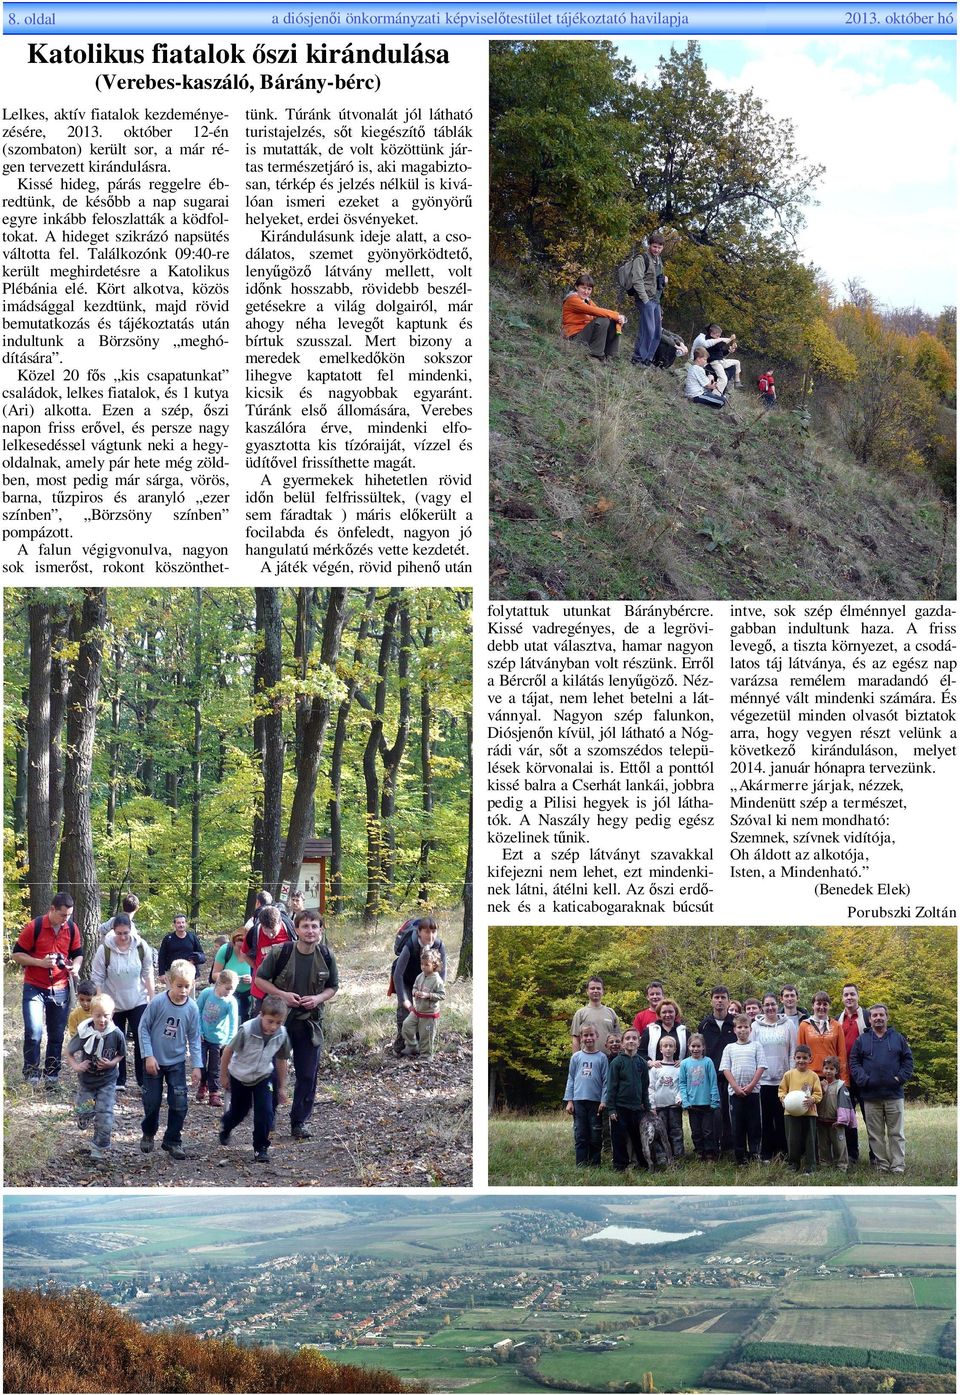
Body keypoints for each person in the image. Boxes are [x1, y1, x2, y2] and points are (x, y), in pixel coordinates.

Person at [255, 908, 339, 1142]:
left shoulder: (327, 956)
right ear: (297, 929)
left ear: (321, 930)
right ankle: (267, 1119)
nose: (310, 930)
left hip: (309, 1023)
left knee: (307, 1074)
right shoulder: (280, 952)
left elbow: (333, 986)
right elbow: (260, 980)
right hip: (277, 1023)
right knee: (269, 1071)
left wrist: (318, 998)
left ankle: (300, 1121)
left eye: (315, 926)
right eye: (305, 926)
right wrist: (282, 995)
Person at [12, 891, 84, 1087]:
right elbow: (16, 954)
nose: (65, 919)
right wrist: (39, 962)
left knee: (56, 1034)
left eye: (69, 915)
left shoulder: (71, 928)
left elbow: (78, 954)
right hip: (34, 987)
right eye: (63, 915)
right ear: (52, 909)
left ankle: (52, 1075)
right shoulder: (34, 927)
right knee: (34, 1031)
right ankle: (31, 1075)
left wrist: (75, 967)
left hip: (60, 988)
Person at [137, 960, 202, 1160]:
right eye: (179, 986)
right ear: (170, 983)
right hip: (154, 1060)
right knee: (152, 1101)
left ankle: (173, 1140)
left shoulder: (192, 1008)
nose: (183, 991)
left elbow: (194, 1037)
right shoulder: (158, 1002)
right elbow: (143, 1028)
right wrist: (148, 1055)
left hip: (177, 1061)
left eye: (187, 986)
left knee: (179, 1103)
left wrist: (197, 1065)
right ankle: (148, 1132)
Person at [219, 994, 291, 1163]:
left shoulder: (282, 1034)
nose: (273, 1026)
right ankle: (226, 1126)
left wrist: (282, 1086)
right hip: (239, 1075)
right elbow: (228, 1052)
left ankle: (261, 1147)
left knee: (265, 1111)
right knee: (239, 1111)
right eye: (270, 1021)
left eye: (278, 1022)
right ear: (261, 1015)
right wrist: (223, 1076)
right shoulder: (247, 1029)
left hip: (263, 1076)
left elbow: (281, 1060)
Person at [90, 913, 155, 1091]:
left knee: (142, 1039)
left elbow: (147, 973)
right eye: (119, 933)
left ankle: (143, 1081)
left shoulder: (141, 947)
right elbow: (98, 977)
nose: (123, 937)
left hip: (138, 1000)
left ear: (131, 930)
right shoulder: (105, 950)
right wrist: (101, 1002)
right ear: (113, 931)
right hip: (113, 1003)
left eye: (126, 932)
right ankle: (119, 1080)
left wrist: (152, 998)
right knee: (117, 1041)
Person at [849, 1004, 914, 1175]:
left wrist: (899, 1078)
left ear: (887, 1017)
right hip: (870, 1096)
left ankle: (898, 1165)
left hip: (894, 1094)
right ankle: (881, 1164)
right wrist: (864, 1080)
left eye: (881, 1015)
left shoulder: (898, 1038)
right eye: (874, 1015)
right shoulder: (862, 1040)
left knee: (896, 1133)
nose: (878, 1018)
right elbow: (854, 1062)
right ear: (869, 1019)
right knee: (875, 1134)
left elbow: (908, 1061)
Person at [66, 992, 126, 1161]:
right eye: (98, 1016)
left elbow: (121, 1054)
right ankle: (83, 1117)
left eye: (106, 1016)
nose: (102, 1020)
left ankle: (98, 1147)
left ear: (112, 1015)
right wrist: (77, 1066)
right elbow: (69, 1052)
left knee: (105, 1114)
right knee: (85, 1110)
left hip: (107, 1080)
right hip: (87, 1080)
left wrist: (111, 1063)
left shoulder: (116, 1034)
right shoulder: (85, 1032)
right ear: (91, 1014)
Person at [392, 918, 447, 1057]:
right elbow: (398, 975)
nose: (431, 935)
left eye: (434, 931)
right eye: (427, 932)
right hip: (406, 980)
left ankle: (420, 1047)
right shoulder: (410, 945)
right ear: (419, 932)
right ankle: (401, 1044)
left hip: (426, 982)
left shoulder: (439, 946)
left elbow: (442, 974)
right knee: (405, 1014)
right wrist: (404, 999)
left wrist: (434, 993)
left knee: (425, 1014)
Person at [602, 1027, 650, 1172]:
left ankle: (642, 1163)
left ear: (639, 1042)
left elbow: (645, 1087)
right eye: (627, 1038)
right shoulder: (617, 1062)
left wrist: (647, 1108)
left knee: (638, 1137)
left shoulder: (641, 1063)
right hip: (619, 1107)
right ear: (622, 1044)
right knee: (619, 1138)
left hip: (637, 1108)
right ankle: (620, 1165)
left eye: (634, 1038)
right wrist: (611, 1109)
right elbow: (611, 1087)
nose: (631, 1041)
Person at [720, 1014, 766, 1165]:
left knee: (754, 1125)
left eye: (745, 1027)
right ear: (734, 1030)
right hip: (735, 1094)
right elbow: (726, 1069)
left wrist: (751, 1085)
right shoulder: (729, 1048)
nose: (742, 1030)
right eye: (739, 1027)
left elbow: (761, 1067)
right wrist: (735, 1087)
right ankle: (740, 1157)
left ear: (750, 1029)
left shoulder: (756, 1046)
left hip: (753, 1093)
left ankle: (755, 1154)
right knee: (737, 1126)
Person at [751, 993, 791, 1163]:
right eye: (766, 1005)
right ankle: (766, 1153)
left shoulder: (788, 1024)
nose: (770, 1008)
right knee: (766, 1119)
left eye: (773, 1004)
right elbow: (752, 1052)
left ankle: (783, 1152)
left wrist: (790, 1076)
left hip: (783, 1080)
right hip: (763, 1081)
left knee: (782, 1118)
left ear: (777, 1005)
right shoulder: (755, 1026)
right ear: (762, 1007)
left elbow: (793, 1052)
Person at [563, 1023, 607, 1167]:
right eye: (585, 1035)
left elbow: (606, 1081)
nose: (588, 1038)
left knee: (595, 1134)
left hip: (596, 1103)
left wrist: (603, 1100)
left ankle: (595, 1163)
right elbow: (571, 1079)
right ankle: (581, 1163)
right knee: (581, 1134)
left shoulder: (602, 1058)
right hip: (578, 1101)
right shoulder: (576, 1057)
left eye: (591, 1035)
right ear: (581, 1038)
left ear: (597, 1036)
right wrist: (569, 1101)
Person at [698, 986, 736, 1156]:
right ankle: (713, 1148)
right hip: (710, 1076)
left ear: (729, 1001)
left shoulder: (735, 1023)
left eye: (723, 997)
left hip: (731, 1076)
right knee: (713, 1113)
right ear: (711, 1000)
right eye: (716, 997)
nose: (719, 1001)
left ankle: (730, 1146)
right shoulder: (705, 1024)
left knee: (730, 1112)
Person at [196, 970, 240, 1107]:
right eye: (227, 988)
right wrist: (199, 1030)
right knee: (201, 1063)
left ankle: (214, 1093)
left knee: (215, 1067)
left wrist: (229, 1042)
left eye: (232, 990)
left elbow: (233, 1023)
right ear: (219, 983)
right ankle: (203, 1084)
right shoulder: (206, 994)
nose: (229, 992)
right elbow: (196, 1011)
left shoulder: (231, 1002)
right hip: (203, 1036)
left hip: (219, 1039)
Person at [778, 1043, 822, 1174]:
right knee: (793, 1140)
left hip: (809, 1113)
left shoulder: (813, 1076)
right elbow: (781, 1090)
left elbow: (818, 1093)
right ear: (794, 1058)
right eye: (798, 1058)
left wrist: (813, 1099)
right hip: (791, 1113)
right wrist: (783, 1099)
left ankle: (811, 1166)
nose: (801, 1060)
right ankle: (793, 1164)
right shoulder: (788, 1075)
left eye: (804, 1058)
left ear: (810, 1059)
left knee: (810, 1140)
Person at [561, 275, 625, 362]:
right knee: (604, 319)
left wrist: (620, 318)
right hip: (574, 337)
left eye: (589, 289)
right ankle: (596, 355)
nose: (586, 292)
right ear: (576, 287)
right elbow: (594, 311)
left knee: (612, 320)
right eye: (583, 288)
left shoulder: (588, 301)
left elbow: (600, 311)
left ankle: (611, 356)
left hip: (585, 335)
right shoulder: (572, 299)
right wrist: (617, 315)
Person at [839, 983, 870, 1163]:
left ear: (858, 996)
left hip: (864, 1077)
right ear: (842, 998)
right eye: (846, 995)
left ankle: (876, 1155)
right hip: (844, 1077)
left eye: (852, 994)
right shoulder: (837, 1019)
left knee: (870, 1117)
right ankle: (852, 1154)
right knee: (848, 1118)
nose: (849, 997)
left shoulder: (867, 1017)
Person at [678, 1033, 720, 1162]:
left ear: (703, 1047)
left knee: (708, 1131)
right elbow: (682, 1083)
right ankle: (699, 1151)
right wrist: (685, 1100)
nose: (695, 1049)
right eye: (693, 1046)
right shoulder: (684, 1063)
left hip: (707, 1103)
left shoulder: (707, 1062)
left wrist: (714, 1099)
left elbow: (713, 1081)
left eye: (698, 1046)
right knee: (696, 1131)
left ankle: (709, 1153)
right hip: (692, 1104)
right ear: (689, 1047)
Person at [245, 905, 294, 1016]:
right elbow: (244, 954)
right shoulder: (255, 932)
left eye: (273, 931)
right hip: (261, 989)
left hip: (286, 988)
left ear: (280, 922)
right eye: (266, 931)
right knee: (261, 1021)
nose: (270, 935)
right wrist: (258, 967)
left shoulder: (290, 930)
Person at [627, 233, 666, 366]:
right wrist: (645, 300)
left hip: (656, 300)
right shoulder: (641, 258)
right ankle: (638, 358)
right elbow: (637, 280)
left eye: (659, 247)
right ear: (649, 245)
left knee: (656, 333)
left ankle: (647, 360)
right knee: (647, 330)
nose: (656, 250)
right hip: (645, 299)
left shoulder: (659, 261)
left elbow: (659, 284)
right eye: (654, 246)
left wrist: (659, 304)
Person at [401, 948, 446, 1058]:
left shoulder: (437, 980)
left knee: (426, 1036)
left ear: (434, 965)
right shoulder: (419, 976)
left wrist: (428, 995)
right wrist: (415, 992)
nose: (423, 967)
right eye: (422, 964)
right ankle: (412, 1046)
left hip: (429, 1014)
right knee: (406, 1025)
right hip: (417, 1010)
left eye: (427, 964)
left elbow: (442, 995)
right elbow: (414, 988)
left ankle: (426, 1057)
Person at [798, 992, 848, 1083]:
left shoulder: (836, 1026)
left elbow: (842, 1054)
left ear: (829, 1007)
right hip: (810, 1074)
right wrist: (799, 1075)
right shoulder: (804, 1025)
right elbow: (799, 1052)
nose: (821, 1007)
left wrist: (844, 1080)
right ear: (813, 1006)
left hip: (831, 1075)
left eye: (825, 1004)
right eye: (818, 1004)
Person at [649, 1035, 684, 1161]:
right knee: (660, 1132)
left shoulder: (679, 1068)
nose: (668, 1049)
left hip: (674, 1106)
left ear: (675, 1049)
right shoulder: (655, 1068)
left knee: (676, 1131)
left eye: (671, 1046)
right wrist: (652, 1105)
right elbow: (651, 1087)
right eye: (665, 1046)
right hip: (659, 1107)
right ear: (660, 1049)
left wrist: (679, 1099)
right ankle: (661, 1156)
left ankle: (678, 1155)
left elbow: (682, 1086)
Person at [817, 1055, 854, 1173]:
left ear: (836, 1071)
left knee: (839, 1144)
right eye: (826, 1068)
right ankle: (825, 1163)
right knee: (823, 1144)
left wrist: (842, 1120)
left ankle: (842, 1165)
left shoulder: (840, 1086)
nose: (828, 1071)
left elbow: (844, 1103)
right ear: (823, 1069)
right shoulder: (820, 1084)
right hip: (822, 1120)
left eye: (831, 1069)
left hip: (836, 1122)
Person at [212, 930, 254, 1024]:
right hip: (227, 994)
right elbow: (215, 975)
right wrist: (230, 978)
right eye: (239, 947)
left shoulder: (253, 951)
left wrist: (252, 979)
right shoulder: (225, 950)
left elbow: (261, 974)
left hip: (248, 997)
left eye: (244, 947)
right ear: (233, 943)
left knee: (244, 1023)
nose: (241, 950)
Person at [570, 977, 620, 1053]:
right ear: (587, 991)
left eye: (598, 988)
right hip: (587, 1060)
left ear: (603, 991)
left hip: (609, 1059)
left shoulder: (611, 1012)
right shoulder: (580, 1013)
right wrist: (576, 1059)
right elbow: (575, 1039)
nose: (595, 990)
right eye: (592, 988)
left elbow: (618, 1037)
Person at [691, 324, 741, 392]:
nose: (719, 338)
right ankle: (716, 395)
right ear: (711, 334)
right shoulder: (709, 341)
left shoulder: (717, 341)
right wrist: (729, 340)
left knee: (737, 362)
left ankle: (737, 381)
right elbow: (717, 346)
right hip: (715, 362)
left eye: (719, 336)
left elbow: (720, 353)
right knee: (723, 379)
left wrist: (729, 350)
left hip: (721, 361)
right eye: (717, 336)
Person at [156, 914, 205, 985]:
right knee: (171, 994)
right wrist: (161, 973)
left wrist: (195, 959)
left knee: (189, 995)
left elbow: (201, 954)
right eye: (178, 923)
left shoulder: (192, 937)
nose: (181, 925)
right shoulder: (168, 939)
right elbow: (162, 956)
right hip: (172, 972)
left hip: (189, 972)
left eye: (183, 922)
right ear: (174, 925)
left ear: (186, 924)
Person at [638, 999, 687, 1063]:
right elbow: (641, 1052)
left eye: (670, 1012)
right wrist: (650, 1062)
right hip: (654, 1070)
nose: (667, 1015)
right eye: (664, 1012)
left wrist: (683, 1062)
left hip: (678, 1070)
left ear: (676, 1013)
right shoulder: (650, 1030)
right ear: (659, 1014)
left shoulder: (684, 1031)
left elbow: (689, 1053)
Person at [779, 984, 809, 1053]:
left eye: (792, 995)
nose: (789, 999)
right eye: (786, 996)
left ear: (797, 998)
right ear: (781, 999)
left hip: (802, 1058)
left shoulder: (806, 1019)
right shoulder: (777, 1020)